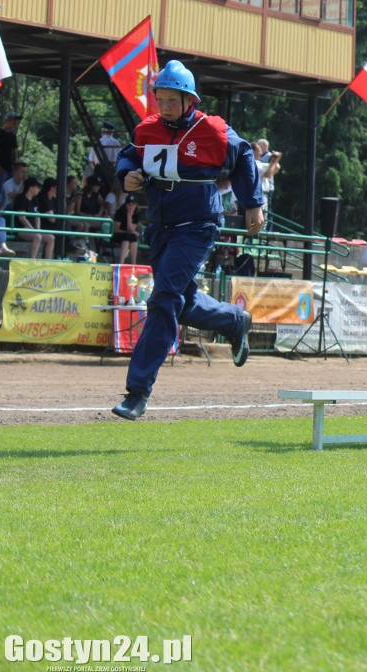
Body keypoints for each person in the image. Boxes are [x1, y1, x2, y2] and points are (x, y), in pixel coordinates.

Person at [110, 59, 264, 420]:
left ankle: (137, 392)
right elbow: (128, 157)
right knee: (179, 299)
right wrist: (127, 175)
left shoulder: (212, 129)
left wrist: (253, 204)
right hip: (160, 228)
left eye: (170, 100)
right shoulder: (147, 129)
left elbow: (243, 154)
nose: (163, 107)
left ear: (189, 100)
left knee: (163, 300)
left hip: (197, 228)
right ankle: (233, 320)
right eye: (159, 99)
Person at [11, 177, 55, 259]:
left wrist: (37, 229)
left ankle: (47, 262)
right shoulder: (21, 199)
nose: (38, 189)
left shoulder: (35, 200)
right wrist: (33, 230)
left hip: (33, 229)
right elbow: (22, 218)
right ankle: (32, 261)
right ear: (31, 187)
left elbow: (37, 217)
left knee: (51, 238)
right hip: (21, 228)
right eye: (37, 187)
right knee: (37, 237)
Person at [87, 121, 122, 194]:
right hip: (111, 169)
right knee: (110, 191)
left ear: (102, 131)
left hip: (98, 169)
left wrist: (97, 169)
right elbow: (120, 159)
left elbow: (91, 161)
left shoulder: (97, 142)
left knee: (98, 191)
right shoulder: (116, 143)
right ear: (111, 132)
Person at [112, 195, 142, 265]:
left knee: (133, 237)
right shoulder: (120, 212)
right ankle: (121, 263)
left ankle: (133, 264)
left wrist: (129, 216)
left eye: (133, 205)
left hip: (129, 234)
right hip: (118, 234)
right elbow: (116, 230)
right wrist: (128, 215)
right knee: (127, 237)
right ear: (126, 205)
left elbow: (131, 229)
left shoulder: (137, 213)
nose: (131, 207)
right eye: (129, 205)